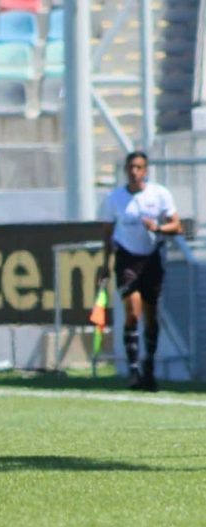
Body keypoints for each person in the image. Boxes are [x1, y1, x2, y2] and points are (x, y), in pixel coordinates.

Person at [99, 151, 181, 392]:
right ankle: (134, 370)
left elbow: (177, 225)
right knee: (132, 312)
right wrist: (106, 263)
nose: (134, 172)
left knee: (150, 316)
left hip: (151, 259)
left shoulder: (159, 195)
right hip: (126, 259)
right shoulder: (114, 198)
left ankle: (149, 367)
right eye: (131, 167)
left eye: (139, 167)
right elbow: (107, 233)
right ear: (125, 170)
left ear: (145, 170)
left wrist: (158, 227)